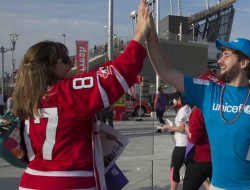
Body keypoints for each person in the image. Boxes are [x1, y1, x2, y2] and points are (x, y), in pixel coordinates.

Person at [12, 1, 151, 189]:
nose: (70, 65)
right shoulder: (67, 92)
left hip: (31, 180)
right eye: (66, 60)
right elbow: (120, 72)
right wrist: (141, 32)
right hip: (69, 181)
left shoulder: (26, 97)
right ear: (51, 65)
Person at [146, 13, 250, 189]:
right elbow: (166, 71)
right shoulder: (208, 91)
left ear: (244, 63)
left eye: (226, 55)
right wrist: (150, 33)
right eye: (221, 55)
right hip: (220, 185)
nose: (220, 60)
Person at [161, 93, 192, 190]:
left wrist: (168, 127)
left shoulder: (183, 110)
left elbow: (181, 128)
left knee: (174, 168)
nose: (175, 102)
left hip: (181, 145)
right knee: (192, 170)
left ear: (179, 99)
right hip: (189, 144)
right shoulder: (189, 108)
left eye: (175, 99)